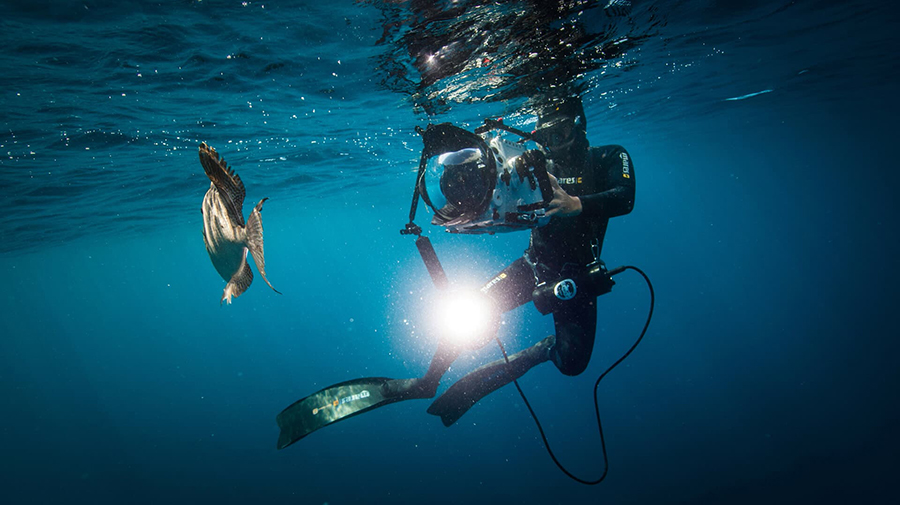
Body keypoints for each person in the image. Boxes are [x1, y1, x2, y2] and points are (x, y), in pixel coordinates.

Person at [383, 96, 637, 426]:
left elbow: (624, 198)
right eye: (546, 137)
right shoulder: (535, 160)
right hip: (534, 264)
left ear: (580, 127)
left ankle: (540, 352)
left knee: (572, 363)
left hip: (575, 276)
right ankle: (427, 381)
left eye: (560, 135)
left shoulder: (607, 157)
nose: (553, 145)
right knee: (468, 310)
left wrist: (576, 203)